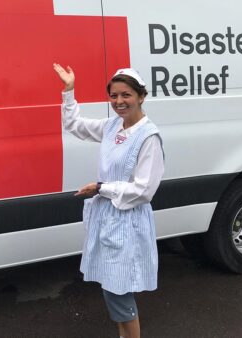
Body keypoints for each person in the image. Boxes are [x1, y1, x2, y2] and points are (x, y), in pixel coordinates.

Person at [53, 63, 165, 338]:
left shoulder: (148, 137)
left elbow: (144, 190)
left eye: (126, 95)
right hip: (108, 221)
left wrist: (102, 188)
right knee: (111, 288)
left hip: (128, 223)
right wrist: (69, 92)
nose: (119, 102)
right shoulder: (112, 126)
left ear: (141, 96)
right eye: (113, 96)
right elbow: (74, 125)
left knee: (119, 294)